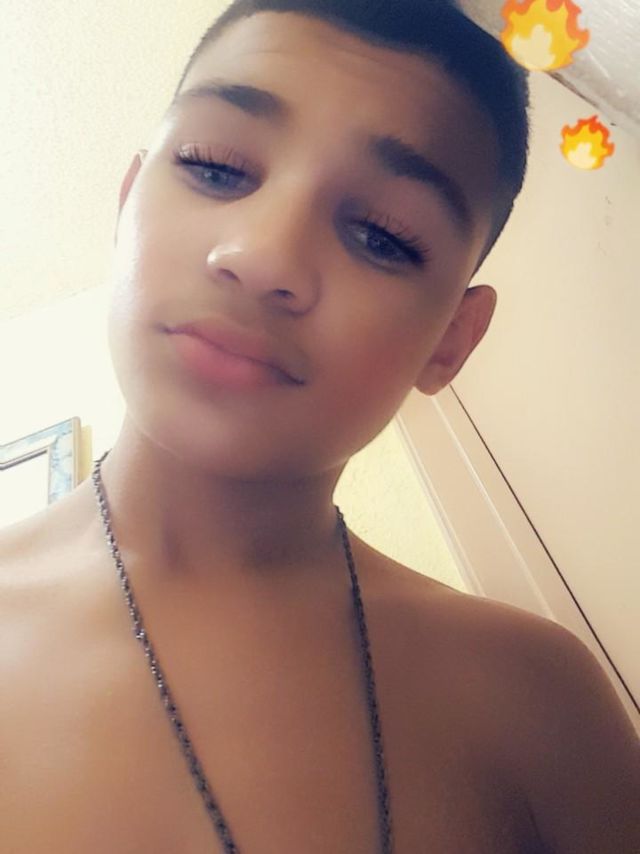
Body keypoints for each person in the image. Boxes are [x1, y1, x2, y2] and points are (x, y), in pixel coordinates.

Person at [1, 0, 638, 851]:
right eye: (216, 167)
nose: (263, 254)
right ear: (126, 207)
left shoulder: (540, 703)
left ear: (450, 341)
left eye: (381, 235)